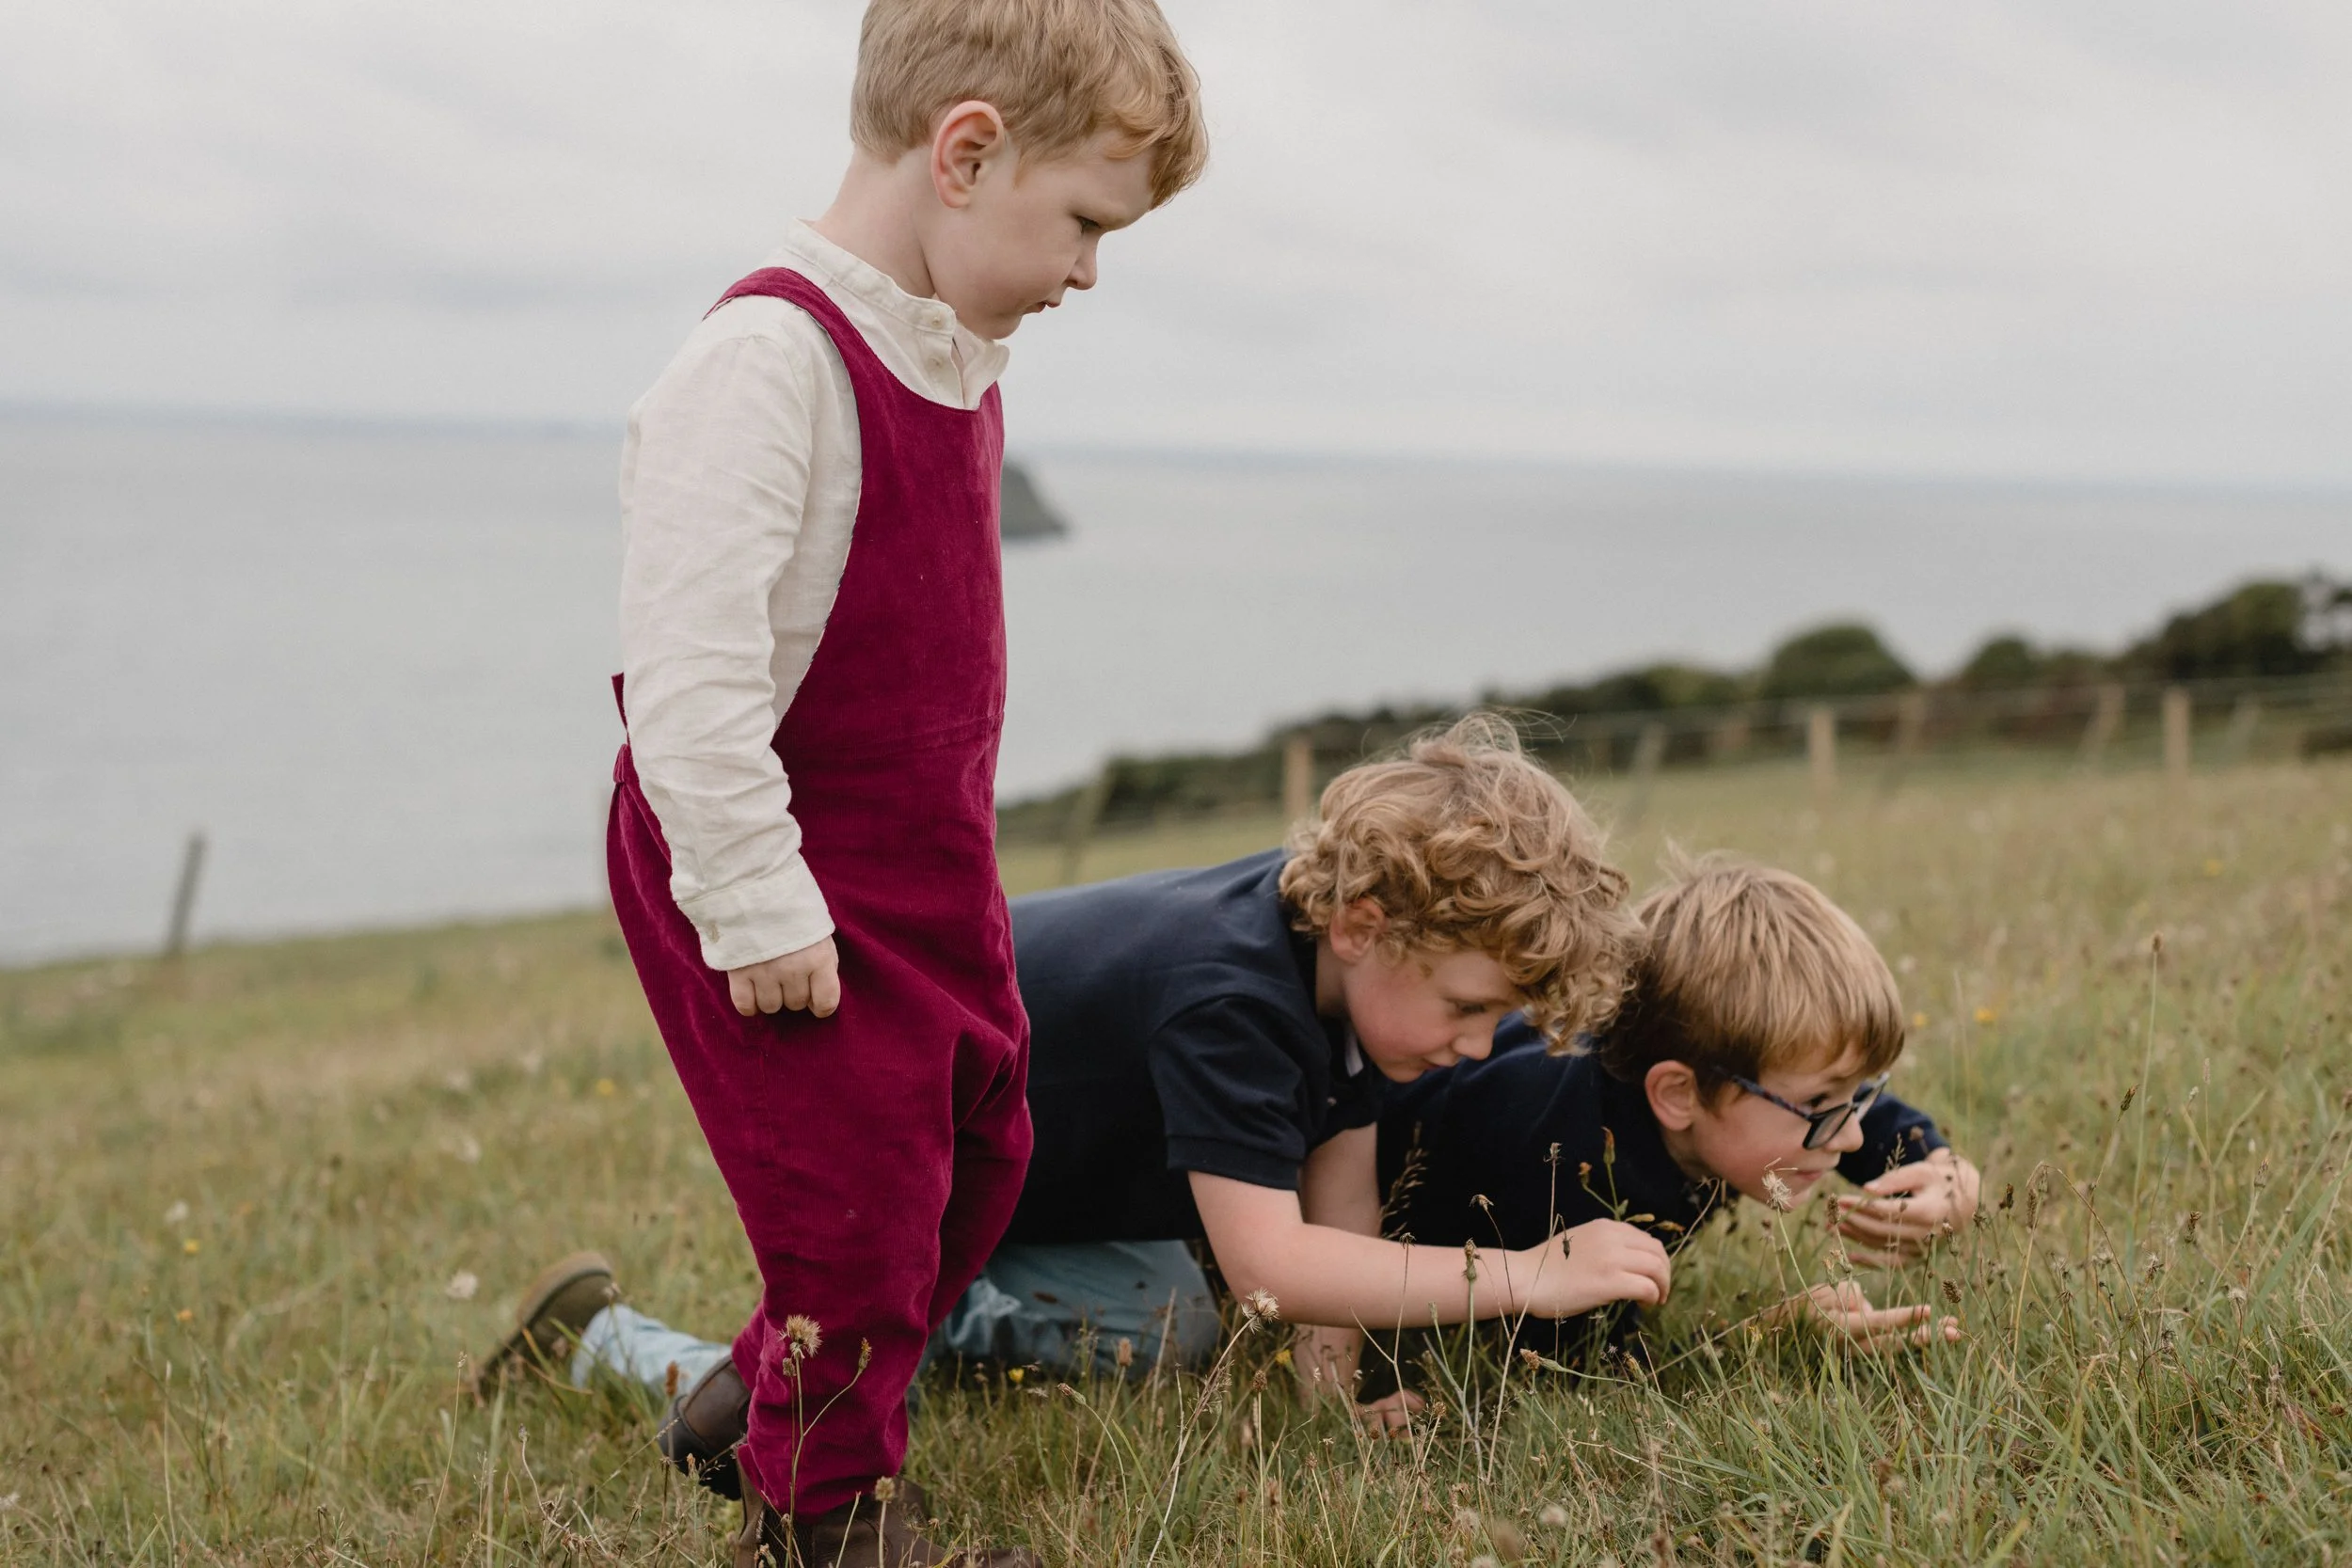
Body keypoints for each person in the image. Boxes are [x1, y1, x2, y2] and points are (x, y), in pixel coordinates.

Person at [535, 3, 1210, 1562]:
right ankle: (823, 1515)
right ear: (966, 152)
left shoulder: (952, 351)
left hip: (923, 862)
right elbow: (690, 686)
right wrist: (759, 904)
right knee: (855, 1219)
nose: (1089, 272)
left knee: (983, 1154)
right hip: (781, 868)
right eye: (1087, 225)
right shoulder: (765, 362)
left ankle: (740, 1399)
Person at [485, 721, 1661, 1487]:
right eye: (1468, 1006)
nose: (1472, 1046)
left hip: (1010, 1187)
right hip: (891, 1162)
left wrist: (1329, 1391)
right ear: (1366, 925)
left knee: (1169, 1300)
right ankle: (608, 1340)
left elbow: (1337, 1185)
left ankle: (895, 1321)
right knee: (1142, 1321)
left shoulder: (1341, 972)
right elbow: (1269, 1266)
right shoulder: (1232, 991)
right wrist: (1531, 1272)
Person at [1367, 851, 1979, 1386]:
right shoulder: (1565, 1166)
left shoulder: (1702, 1069)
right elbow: (1577, 1365)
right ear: (1679, 1095)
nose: (1849, 1134)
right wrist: (1769, 1335)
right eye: (1820, 1106)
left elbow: (1863, 1112)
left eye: (1858, 1095)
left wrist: (1943, 1169)